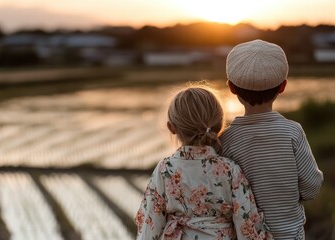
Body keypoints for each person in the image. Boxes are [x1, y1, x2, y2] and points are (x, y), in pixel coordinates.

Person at [135, 86, 272, 240]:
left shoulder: (165, 170)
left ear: (171, 128)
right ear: (219, 125)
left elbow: (149, 225)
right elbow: (247, 227)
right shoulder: (229, 170)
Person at [220, 39, 324, 239]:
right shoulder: (293, 132)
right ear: (283, 86)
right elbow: (311, 187)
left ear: (231, 87)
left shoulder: (226, 140)